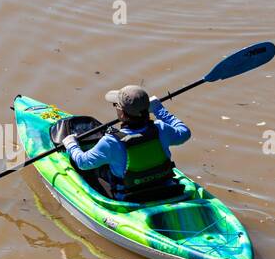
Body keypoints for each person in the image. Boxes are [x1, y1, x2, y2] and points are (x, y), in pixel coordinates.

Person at [61, 85, 191, 201]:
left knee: (96, 166)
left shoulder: (111, 141)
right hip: (166, 189)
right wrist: (159, 109)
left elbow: (83, 163)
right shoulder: (161, 128)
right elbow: (184, 133)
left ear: (122, 114)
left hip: (131, 198)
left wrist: (71, 144)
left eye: (116, 105)